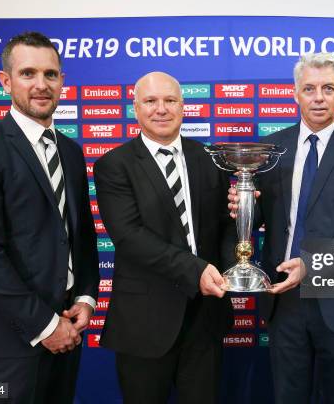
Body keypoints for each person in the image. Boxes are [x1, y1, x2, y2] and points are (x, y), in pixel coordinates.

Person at [229, 53, 334, 403]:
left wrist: (310, 263)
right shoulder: (272, 150)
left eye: (328, 88)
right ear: (295, 94)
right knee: (288, 395)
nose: (319, 97)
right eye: (310, 89)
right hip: (283, 296)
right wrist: (244, 206)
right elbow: (259, 220)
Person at [0, 31, 99, 403]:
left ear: (62, 81)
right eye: (28, 73)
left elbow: (80, 237)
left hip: (69, 329)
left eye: (51, 74)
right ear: (6, 81)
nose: (41, 85)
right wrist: (46, 326)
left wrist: (85, 298)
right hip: (12, 339)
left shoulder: (71, 152)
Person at [94, 71, 235, 403]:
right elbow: (129, 236)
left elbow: (225, 226)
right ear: (136, 108)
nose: (161, 109)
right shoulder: (115, 165)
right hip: (144, 321)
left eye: (170, 100)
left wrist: (233, 264)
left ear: (183, 107)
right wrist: (196, 270)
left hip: (205, 317)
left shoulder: (209, 159)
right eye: (151, 101)